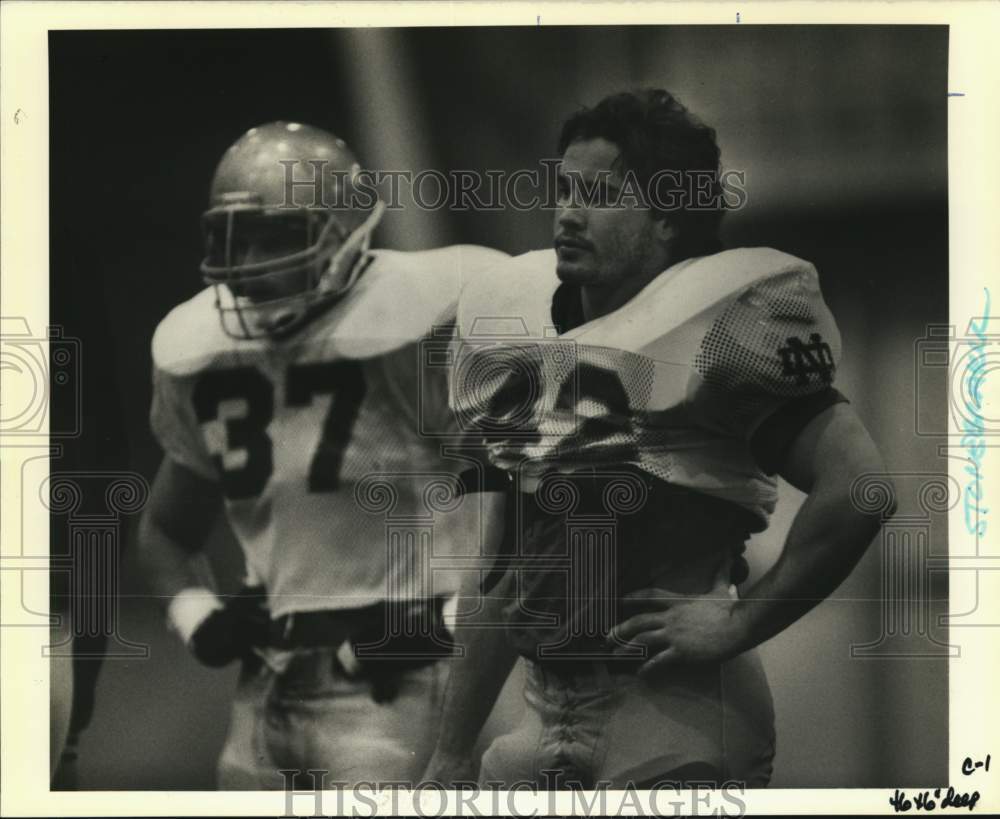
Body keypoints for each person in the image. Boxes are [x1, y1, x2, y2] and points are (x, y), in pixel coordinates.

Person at [423, 89, 895, 789]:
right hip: (540, 709)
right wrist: (452, 746)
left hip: (672, 706)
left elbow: (860, 488)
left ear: (668, 214)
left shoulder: (727, 321)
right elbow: (502, 565)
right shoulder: (520, 322)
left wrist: (739, 623)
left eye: (603, 194)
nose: (568, 212)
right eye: (566, 189)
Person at [138, 121, 507, 788]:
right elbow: (165, 529)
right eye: (235, 239)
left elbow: (534, 508)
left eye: (275, 236)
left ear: (343, 229)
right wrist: (199, 617)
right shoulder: (208, 355)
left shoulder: (416, 330)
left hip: (400, 681)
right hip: (264, 686)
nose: (247, 263)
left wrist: (445, 623)